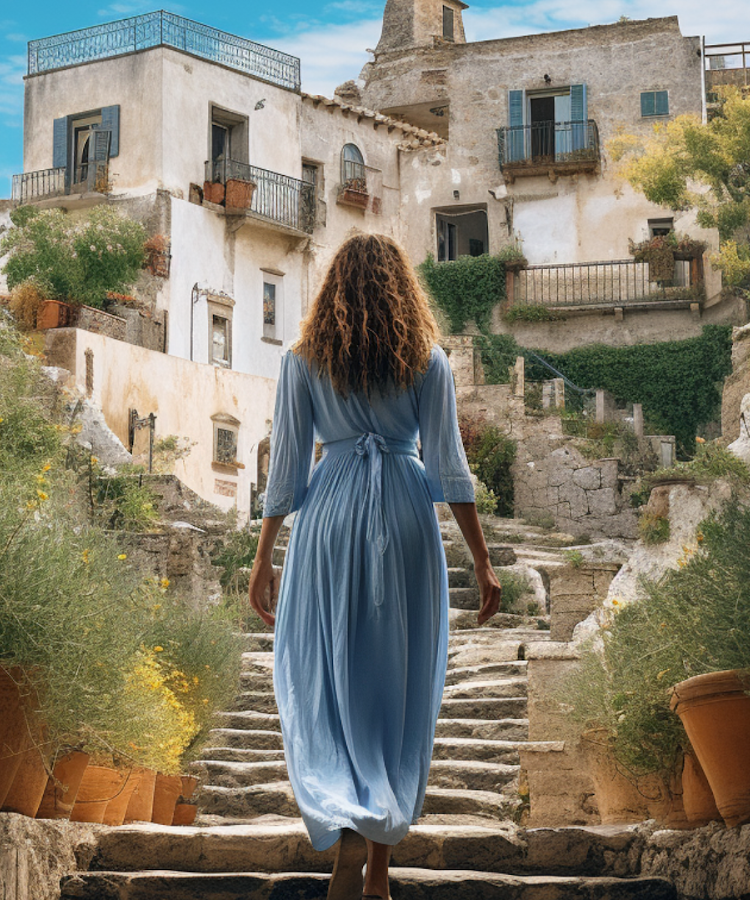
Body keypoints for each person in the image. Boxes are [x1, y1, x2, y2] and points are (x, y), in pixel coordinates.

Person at [247, 233, 502, 900]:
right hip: (406, 518)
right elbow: (450, 470)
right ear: (401, 291)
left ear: (332, 289)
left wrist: (263, 558)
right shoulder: (430, 362)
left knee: (327, 676)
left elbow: (286, 472)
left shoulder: (302, 362)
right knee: (399, 688)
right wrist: (483, 562)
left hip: (328, 519)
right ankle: (379, 874)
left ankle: (341, 822)